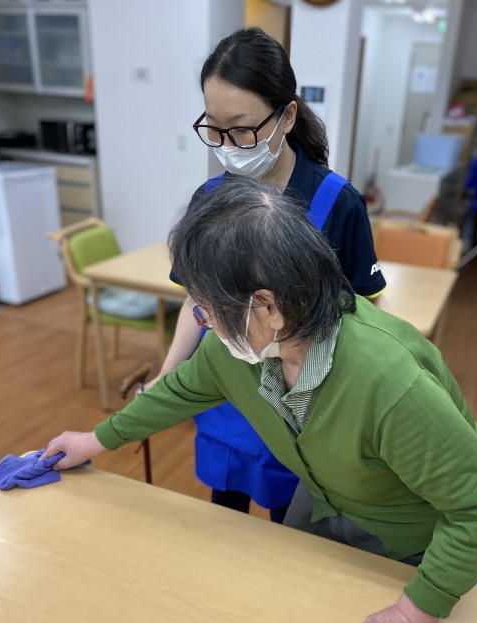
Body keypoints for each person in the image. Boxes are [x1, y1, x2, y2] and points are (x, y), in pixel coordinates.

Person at [43, 179, 477, 623]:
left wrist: (410, 618)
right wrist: (96, 440)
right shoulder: (239, 349)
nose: (203, 322)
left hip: (405, 538)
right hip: (325, 498)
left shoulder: (389, 383)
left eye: (206, 308)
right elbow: (178, 390)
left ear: (268, 307)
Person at [149, 27, 387, 523]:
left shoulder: (336, 202)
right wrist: (166, 377)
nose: (228, 145)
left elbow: (368, 308)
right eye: (214, 129)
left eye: (241, 129)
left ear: (288, 116)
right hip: (226, 394)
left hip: (304, 403)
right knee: (225, 521)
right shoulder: (209, 199)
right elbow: (198, 304)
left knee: (290, 526)